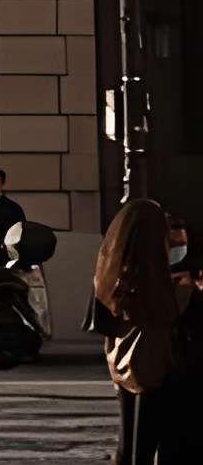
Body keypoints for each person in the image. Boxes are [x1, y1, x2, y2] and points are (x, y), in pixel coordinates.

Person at [93, 197, 197, 464]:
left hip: (126, 371)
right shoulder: (162, 283)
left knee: (131, 443)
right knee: (169, 441)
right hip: (163, 373)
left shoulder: (114, 276)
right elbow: (170, 316)